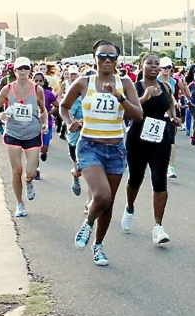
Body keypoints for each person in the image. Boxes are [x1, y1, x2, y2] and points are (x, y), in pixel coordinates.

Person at [59, 39, 143, 266]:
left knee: (108, 203)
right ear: (94, 58)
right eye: (102, 56)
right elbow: (63, 106)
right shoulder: (83, 82)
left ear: (117, 60)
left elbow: (137, 116)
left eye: (112, 57)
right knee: (102, 196)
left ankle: (98, 246)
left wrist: (119, 97)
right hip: (89, 147)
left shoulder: (125, 83)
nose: (107, 61)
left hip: (115, 149)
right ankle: (87, 224)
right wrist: (69, 122)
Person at [121, 54, 181, 244]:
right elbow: (129, 109)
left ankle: (158, 227)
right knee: (135, 178)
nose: (154, 67)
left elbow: (170, 102)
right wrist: (145, 97)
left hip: (160, 137)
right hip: (138, 137)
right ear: (142, 66)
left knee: (159, 180)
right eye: (150, 63)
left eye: (157, 64)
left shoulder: (164, 86)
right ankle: (130, 207)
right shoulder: (134, 87)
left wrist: (173, 116)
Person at [0, 57, 48, 217]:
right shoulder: (7, 89)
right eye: (19, 68)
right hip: (13, 133)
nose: (23, 71)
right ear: (14, 71)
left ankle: (28, 182)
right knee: (16, 171)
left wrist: (45, 123)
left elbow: (43, 110)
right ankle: (20, 204)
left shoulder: (37, 90)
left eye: (26, 68)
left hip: (32, 133)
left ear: (30, 70)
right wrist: (0, 115)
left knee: (29, 172)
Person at [32, 72, 59, 167]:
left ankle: (44, 153)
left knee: (44, 147)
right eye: (36, 81)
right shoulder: (28, 93)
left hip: (47, 124)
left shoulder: (48, 93)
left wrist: (49, 113)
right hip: (32, 124)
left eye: (40, 81)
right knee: (34, 149)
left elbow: (57, 106)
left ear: (44, 82)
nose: (38, 83)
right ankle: (36, 169)